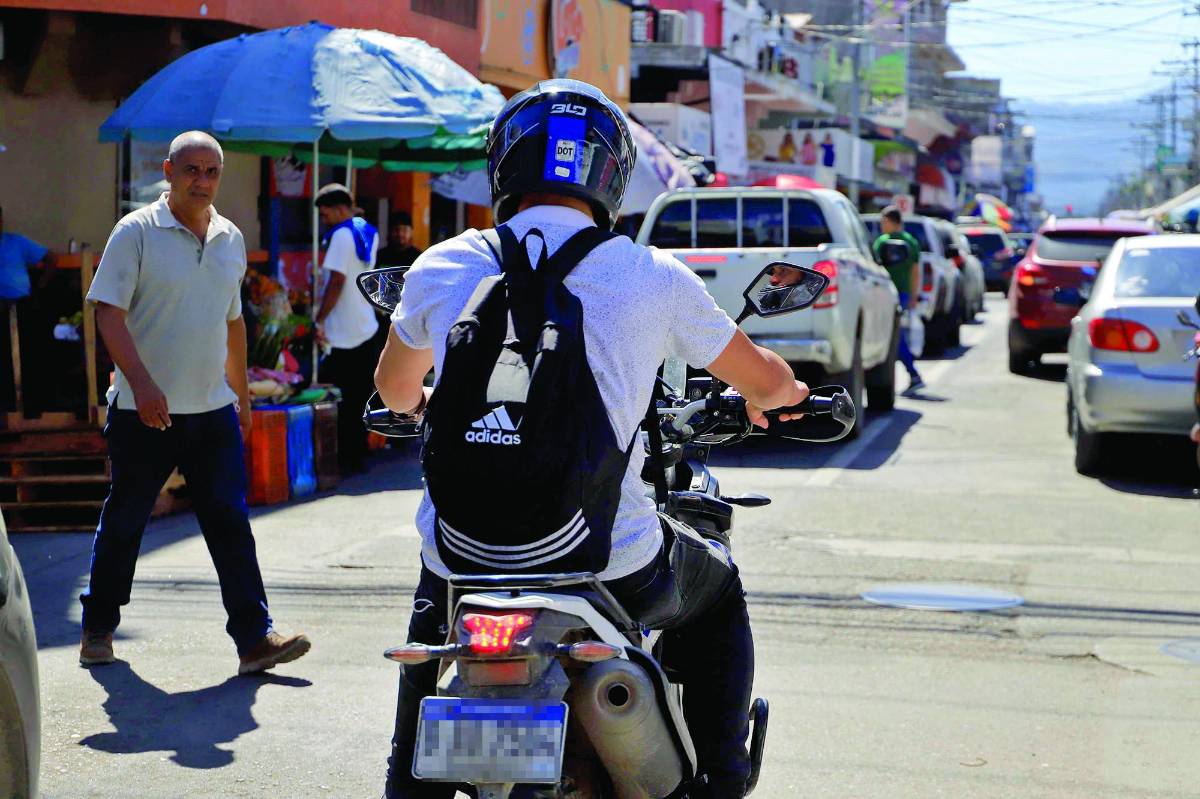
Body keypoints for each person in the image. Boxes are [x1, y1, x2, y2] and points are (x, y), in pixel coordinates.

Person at [374, 79, 810, 799]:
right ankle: (721, 782)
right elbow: (761, 379)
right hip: (611, 558)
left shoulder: (441, 263)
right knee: (718, 589)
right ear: (611, 175)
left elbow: (394, 391)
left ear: (504, 165)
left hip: (462, 557)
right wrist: (785, 396)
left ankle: (404, 783)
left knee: (431, 615)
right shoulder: (648, 274)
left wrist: (426, 403)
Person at [80, 131, 311, 675]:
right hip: (144, 411)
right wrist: (142, 381)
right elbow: (107, 311)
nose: (201, 181)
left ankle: (255, 639)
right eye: (191, 170)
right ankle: (98, 628)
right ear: (168, 170)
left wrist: (243, 401)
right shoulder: (135, 231)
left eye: (211, 172)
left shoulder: (230, 238)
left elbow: (232, 323)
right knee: (126, 520)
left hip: (212, 412)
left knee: (230, 521)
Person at [314, 183, 384, 474]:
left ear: (341, 208)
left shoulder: (342, 235)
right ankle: (357, 455)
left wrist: (318, 318)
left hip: (343, 331)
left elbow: (337, 282)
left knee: (342, 398)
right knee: (359, 398)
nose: (324, 220)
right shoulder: (367, 231)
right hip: (366, 324)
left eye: (326, 213)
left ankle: (345, 458)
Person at [0, 204, 56, 413]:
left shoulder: (15, 241)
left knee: (30, 355)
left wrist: (42, 285)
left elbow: (51, 258)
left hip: (22, 305)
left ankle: (31, 405)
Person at [872, 205, 925, 393]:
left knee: (895, 336)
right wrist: (913, 295)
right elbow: (916, 272)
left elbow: (914, 271)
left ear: (891, 221)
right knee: (895, 335)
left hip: (889, 295)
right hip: (901, 294)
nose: (881, 225)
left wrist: (911, 296)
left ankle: (913, 372)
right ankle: (912, 372)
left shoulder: (882, 242)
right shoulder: (911, 241)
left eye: (883, 221)